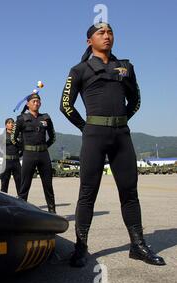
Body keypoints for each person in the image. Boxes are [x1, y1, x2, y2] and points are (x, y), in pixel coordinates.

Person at [60, 23, 165, 267]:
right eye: (100, 33)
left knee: (129, 192)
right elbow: (65, 105)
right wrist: (86, 128)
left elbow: (136, 100)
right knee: (87, 193)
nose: (107, 36)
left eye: (110, 32)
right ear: (89, 41)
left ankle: (137, 246)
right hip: (94, 136)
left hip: (122, 136)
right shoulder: (79, 70)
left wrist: (119, 122)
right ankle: (81, 248)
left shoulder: (126, 67)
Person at [11, 93, 56, 213]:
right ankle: (21, 212)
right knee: (24, 186)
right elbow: (13, 138)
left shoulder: (46, 118)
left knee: (48, 186)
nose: (36, 103)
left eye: (38, 101)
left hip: (44, 155)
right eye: (34, 101)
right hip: (29, 156)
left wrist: (45, 147)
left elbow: (53, 137)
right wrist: (24, 148)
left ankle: (52, 212)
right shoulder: (21, 119)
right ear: (28, 104)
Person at [0, 118, 22, 195]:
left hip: (16, 162)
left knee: (20, 184)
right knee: (4, 185)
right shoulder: (1, 137)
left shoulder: (19, 135)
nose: (11, 124)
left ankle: (22, 203)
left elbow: (23, 148)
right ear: (6, 125)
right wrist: (3, 155)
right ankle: (3, 203)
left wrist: (18, 155)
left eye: (12, 123)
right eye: (9, 123)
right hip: (6, 162)